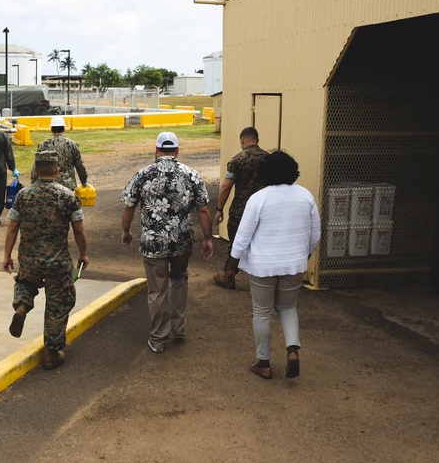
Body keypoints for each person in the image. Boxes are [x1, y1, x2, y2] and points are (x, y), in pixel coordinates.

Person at [224, 150, 320, 380]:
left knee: (262, 312)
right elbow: (315, 234)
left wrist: (231, 265)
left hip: (262, 267)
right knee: (288, 307)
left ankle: (264, 363)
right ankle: (292, 351)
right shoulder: (305, 196)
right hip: (294, 265)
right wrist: (303, 256)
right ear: (292, 171)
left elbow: (242, 237)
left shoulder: (259, 198)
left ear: (264, 173)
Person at [121, 131, 214, 353]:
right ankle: (179, 327)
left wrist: (125, 230)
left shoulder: (142, 174)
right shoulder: (191, 174)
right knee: (180, 279)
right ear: (177, 151)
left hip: (153, 244)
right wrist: (208, 238)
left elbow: (129, 206)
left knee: (157, 290)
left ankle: (158, 338)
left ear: (156, 150)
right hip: (182, 242)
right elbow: (202, 209)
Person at [3, 151, 88, 370]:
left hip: (29, 260)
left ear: (35, 170)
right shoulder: (68, 196)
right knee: (58, 304)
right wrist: (83, 254)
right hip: (58, 263)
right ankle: (52, 352)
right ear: (57, 170)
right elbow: (79, 231)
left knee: (25, 283)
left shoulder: (23, 195)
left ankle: (22, 305)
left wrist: (7, 256)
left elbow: (12, 227)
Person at [213, 126, 268, 290]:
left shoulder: (237, 160)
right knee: (262, 243)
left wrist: (219, 208)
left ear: (242, 141)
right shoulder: (269, 159)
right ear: (257, 140)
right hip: (264, 209)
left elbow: (225, 187)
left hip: (241, 210)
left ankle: (229, 276)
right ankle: (264, 280)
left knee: (236, 243)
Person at [34, 116, 87, 191]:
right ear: (64, 129)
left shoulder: (43, 145)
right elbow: (80, 166)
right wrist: (84, 181)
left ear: (51, 129)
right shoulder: (72, 144)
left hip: (48, 188)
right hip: (68, 186)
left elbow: (36, 167)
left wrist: (33, 184)